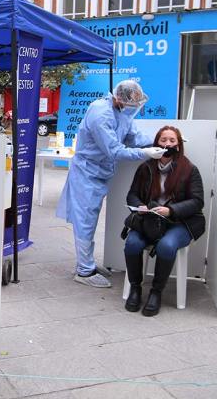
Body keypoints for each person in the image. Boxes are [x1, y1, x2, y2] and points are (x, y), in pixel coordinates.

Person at [56, 80, 165, 288]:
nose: (134, 107)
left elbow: (133, 137)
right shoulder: (101, 114)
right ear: (120, 98)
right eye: (132, 102)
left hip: (100, 172)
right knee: (85, 221)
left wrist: (158, 141)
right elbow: (114, 150)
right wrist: (144, 153)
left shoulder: (121, 112)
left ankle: (87, 262)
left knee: (90, 220)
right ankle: (84, 271)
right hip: (87, 173)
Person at [123, 126, 205, 316]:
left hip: (180, 222)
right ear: (156, 144)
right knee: (132, 243)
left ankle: (156, 292)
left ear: (179, 145)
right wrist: (140, 206)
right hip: (150, 220)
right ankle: (135, 288)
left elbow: (197, 201)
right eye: (163, 140)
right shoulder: (145, 168)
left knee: (166, 246)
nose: (167, 144)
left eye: (172, 140)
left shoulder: (189, 169)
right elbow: (132, 195)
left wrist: (171, 211)